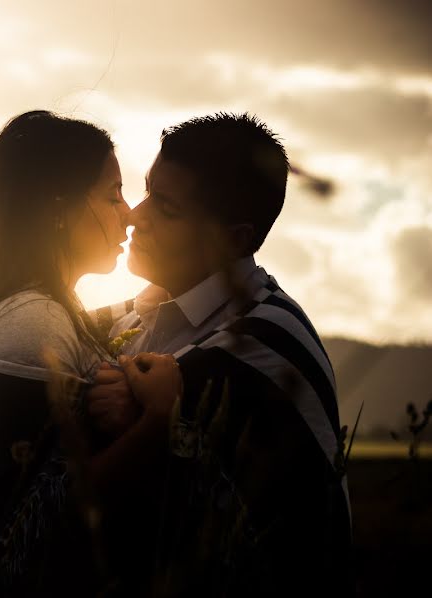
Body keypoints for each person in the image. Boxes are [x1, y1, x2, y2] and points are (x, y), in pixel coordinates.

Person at [86, 112, 355, 597]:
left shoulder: (269, 336)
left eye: (165, 208)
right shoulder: (135, 314)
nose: (134, 215)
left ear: (234, 239)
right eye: (146, 192)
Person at [0, 110, 182, 597]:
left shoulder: (54, 313)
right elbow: (47, 511)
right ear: (59, 208)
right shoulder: (33, 322)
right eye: (112, 195)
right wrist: (156, 420)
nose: (128, 212)